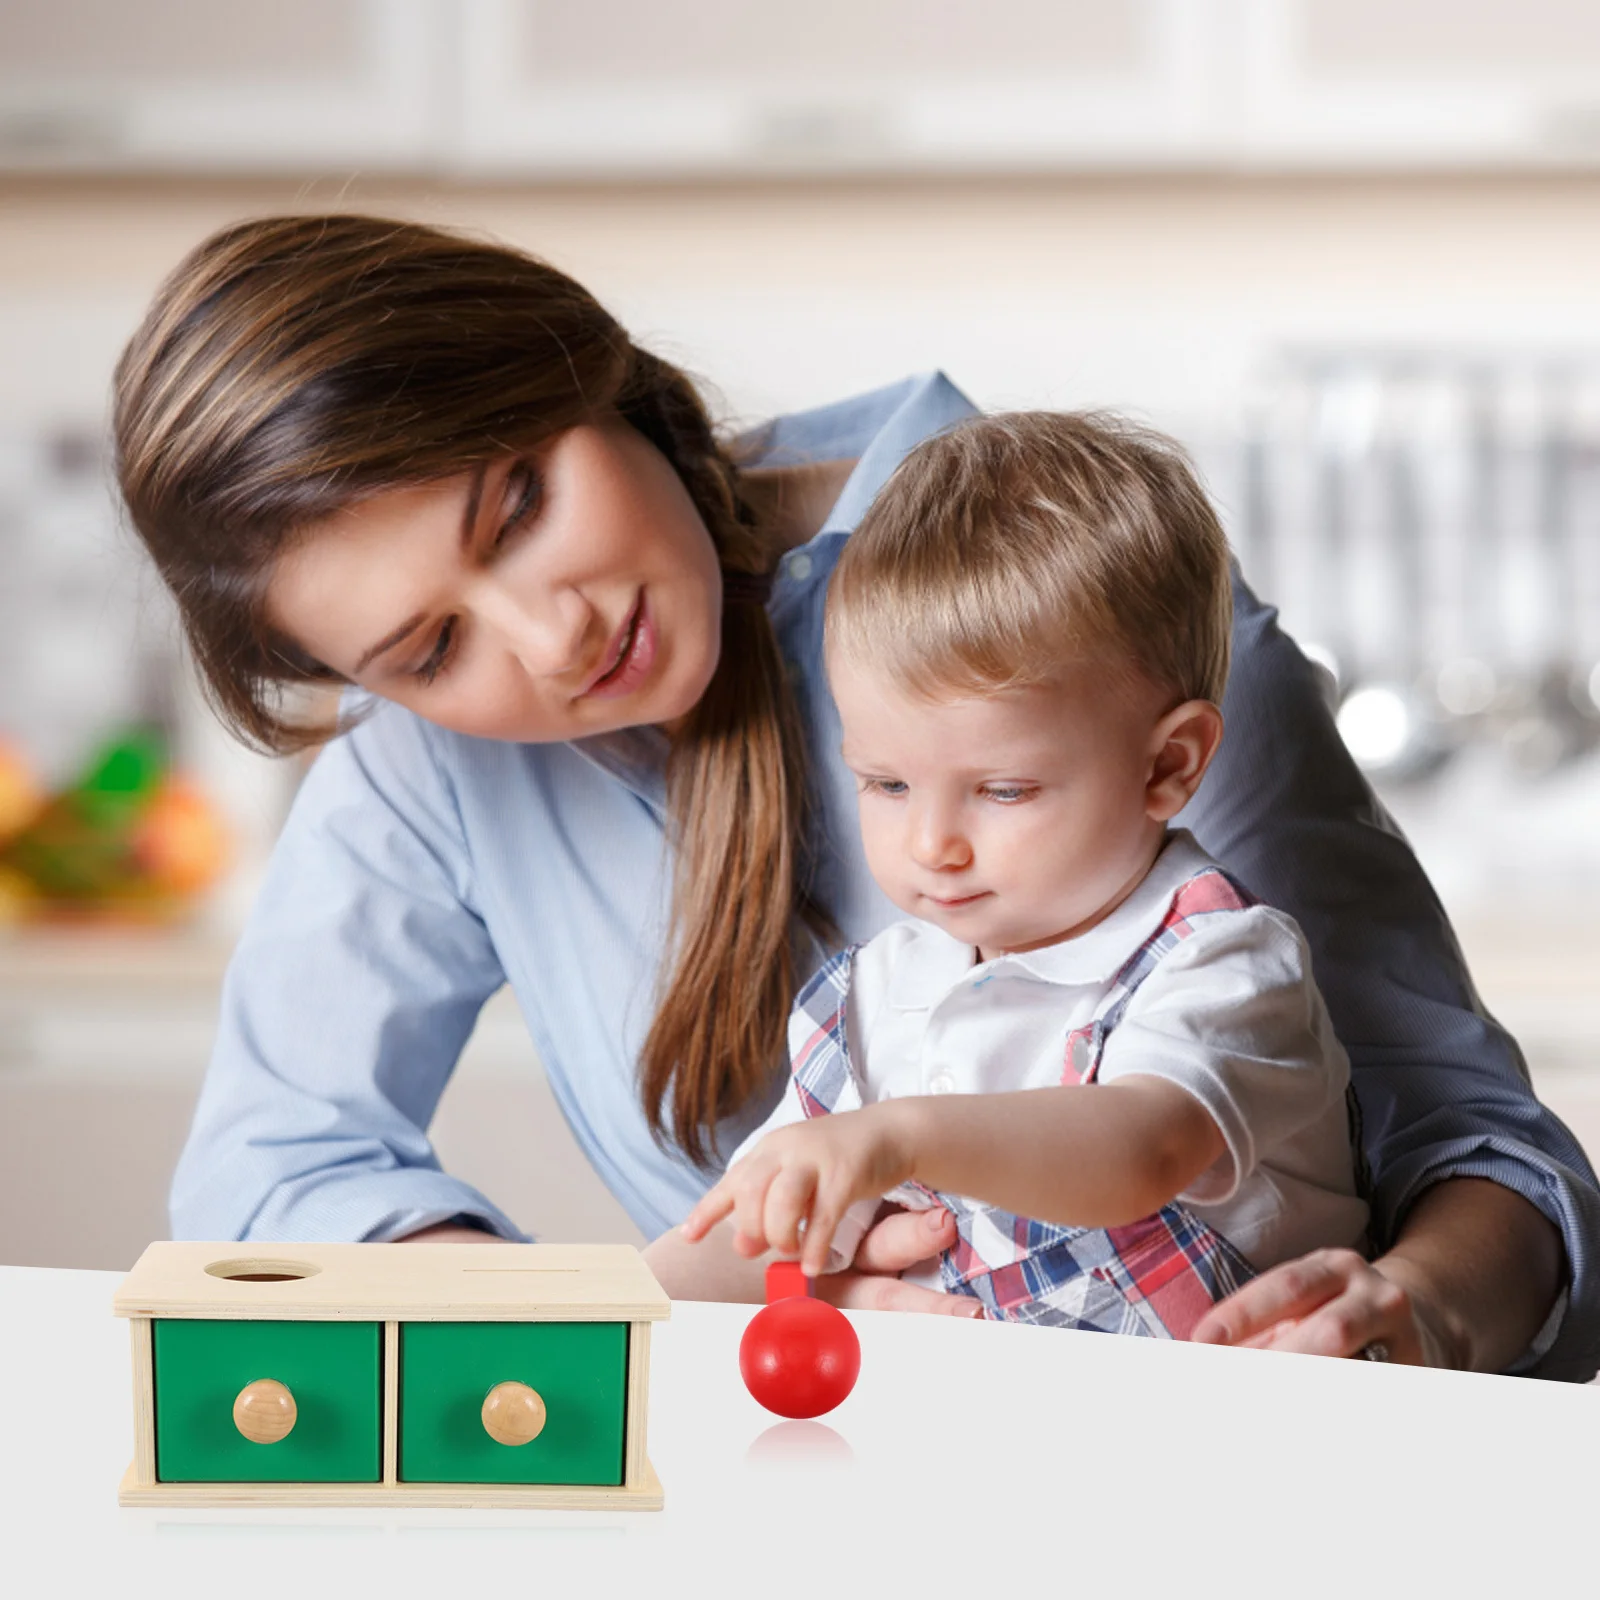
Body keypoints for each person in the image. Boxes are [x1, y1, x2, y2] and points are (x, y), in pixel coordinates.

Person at [111, 213, 1596, 1376]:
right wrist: (657, 1318)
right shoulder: (430, 760)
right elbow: (271, 1179)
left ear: (580, 360)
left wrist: (1413, 1312)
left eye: (518, 505)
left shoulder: (1057, 613)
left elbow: (1481, 1153)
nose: (550, 637)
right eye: (431, 647)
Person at [665, 411, 1368, 1336]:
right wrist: (619, 1294)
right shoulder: (874, 998)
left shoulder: (1226, 963)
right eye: (886, 782)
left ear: (1169, 765)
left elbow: (1140, 1147)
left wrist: (898, 1136)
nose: (930, 845)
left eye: (1001, 789)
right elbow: (743, 1241)